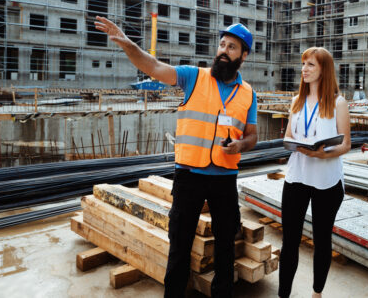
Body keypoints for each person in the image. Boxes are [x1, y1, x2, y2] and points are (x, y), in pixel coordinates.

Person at [94, 17, 258, 298]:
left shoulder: (248, 94)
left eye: (231, 47)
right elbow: (154, 67)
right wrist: (128, 45)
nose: (223, 50)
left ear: (243, 55)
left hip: (225, 179)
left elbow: (253, 136)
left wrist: (240, 145)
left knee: (225, 248)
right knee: (179, 244)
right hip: (189, 176)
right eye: (221, 44)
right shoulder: (193, 76)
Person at [278, 47, 351, 298]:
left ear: (324, 70)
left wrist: (322, 153)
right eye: (304, 64)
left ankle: (316, 293)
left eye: (311, 65)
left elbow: (346, 144)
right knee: (289, 242)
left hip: (327, 181)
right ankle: (283, 294)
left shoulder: (338, 102)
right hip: (297, 175)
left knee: (322, 241)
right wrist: (294, 144)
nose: (304, 69)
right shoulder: (296, 102)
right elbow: (288, 135)